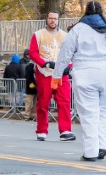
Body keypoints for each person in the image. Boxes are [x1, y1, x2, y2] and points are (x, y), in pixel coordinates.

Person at [54, 1, 106, 161]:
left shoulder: (78, 29)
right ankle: (102, 145)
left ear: (86, 11)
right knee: (102, 112)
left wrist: (57, 75)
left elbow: (65, 54)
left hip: (85, 73)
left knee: (89, 114)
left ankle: (91, 151)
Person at [29, 11, 75, 142]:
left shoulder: (65, 36)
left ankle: (65, 130)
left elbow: (70, 52)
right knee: (43, 102)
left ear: (58, 20)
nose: (52, 21)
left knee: (64, 101)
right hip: (45, 73)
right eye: (50, 18)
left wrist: (69, 66)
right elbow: (33, 53)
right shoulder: (38, 35)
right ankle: (42, 130)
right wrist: (44, 63)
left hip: (61, 74)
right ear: (46, 19)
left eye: (55, 19)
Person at [23, 51, 37, 121]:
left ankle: (33, 115)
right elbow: (28, 78)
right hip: (30, 87)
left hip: (35, 87)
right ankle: (27, 115)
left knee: (35, 103)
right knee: (29, 102)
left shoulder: (36, 66)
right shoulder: (29, 66)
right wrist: (32, 86)